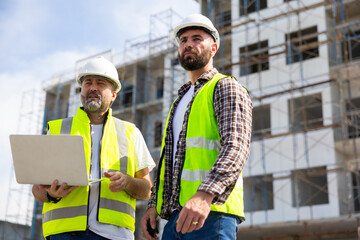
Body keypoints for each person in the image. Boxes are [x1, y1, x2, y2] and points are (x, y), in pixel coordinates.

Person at [141, 13, 253, 240]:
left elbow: (236, 147)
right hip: (174, 219)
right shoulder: (178, 102)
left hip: (211, 212)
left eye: (196, 38)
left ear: (213, 48)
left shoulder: (225, 87)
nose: (188, 44)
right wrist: (153, 205)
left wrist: (205, 195)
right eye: (183, 41)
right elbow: (168, 162)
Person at [32, 56, 155, 240]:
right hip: (63, 234)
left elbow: (147, 190)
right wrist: (50, 194)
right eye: (88, 82)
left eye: (100, 83)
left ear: (113, 94)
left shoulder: (130, 132)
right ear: (81, 90)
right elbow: (37, 189)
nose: (93, 87)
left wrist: (127, 182)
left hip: (115, 235)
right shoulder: (57, 129)